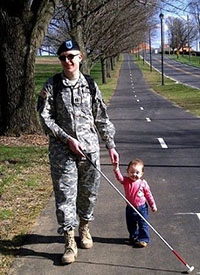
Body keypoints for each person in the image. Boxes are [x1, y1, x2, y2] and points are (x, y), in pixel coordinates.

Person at [37, 39, 119, 264]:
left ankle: (84, 228)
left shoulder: (91, 85)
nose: (67, 61)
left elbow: (101, 118)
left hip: (90, 151)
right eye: (63, 57)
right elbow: (45, 118)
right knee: (65, 196)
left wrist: (110, 146)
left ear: (80, 57)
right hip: (62, 152)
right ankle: (69, 242)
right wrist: (66, 138)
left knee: (89, 193)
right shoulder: (52, 85)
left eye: (71, 56)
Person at [113, 159, 157, 247]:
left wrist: (153, 205)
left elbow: (148, 195)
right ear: (127, 172)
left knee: (143, 224)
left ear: (142, 174)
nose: (134, 175)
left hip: (142, 208)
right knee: (131, 224)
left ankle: (144, 239)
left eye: (137, 172)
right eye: (132, 172)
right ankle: (134, 237)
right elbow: (119, 178)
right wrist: (116, 169)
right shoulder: (126, 181)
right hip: (130, 208)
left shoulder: (143, 183)